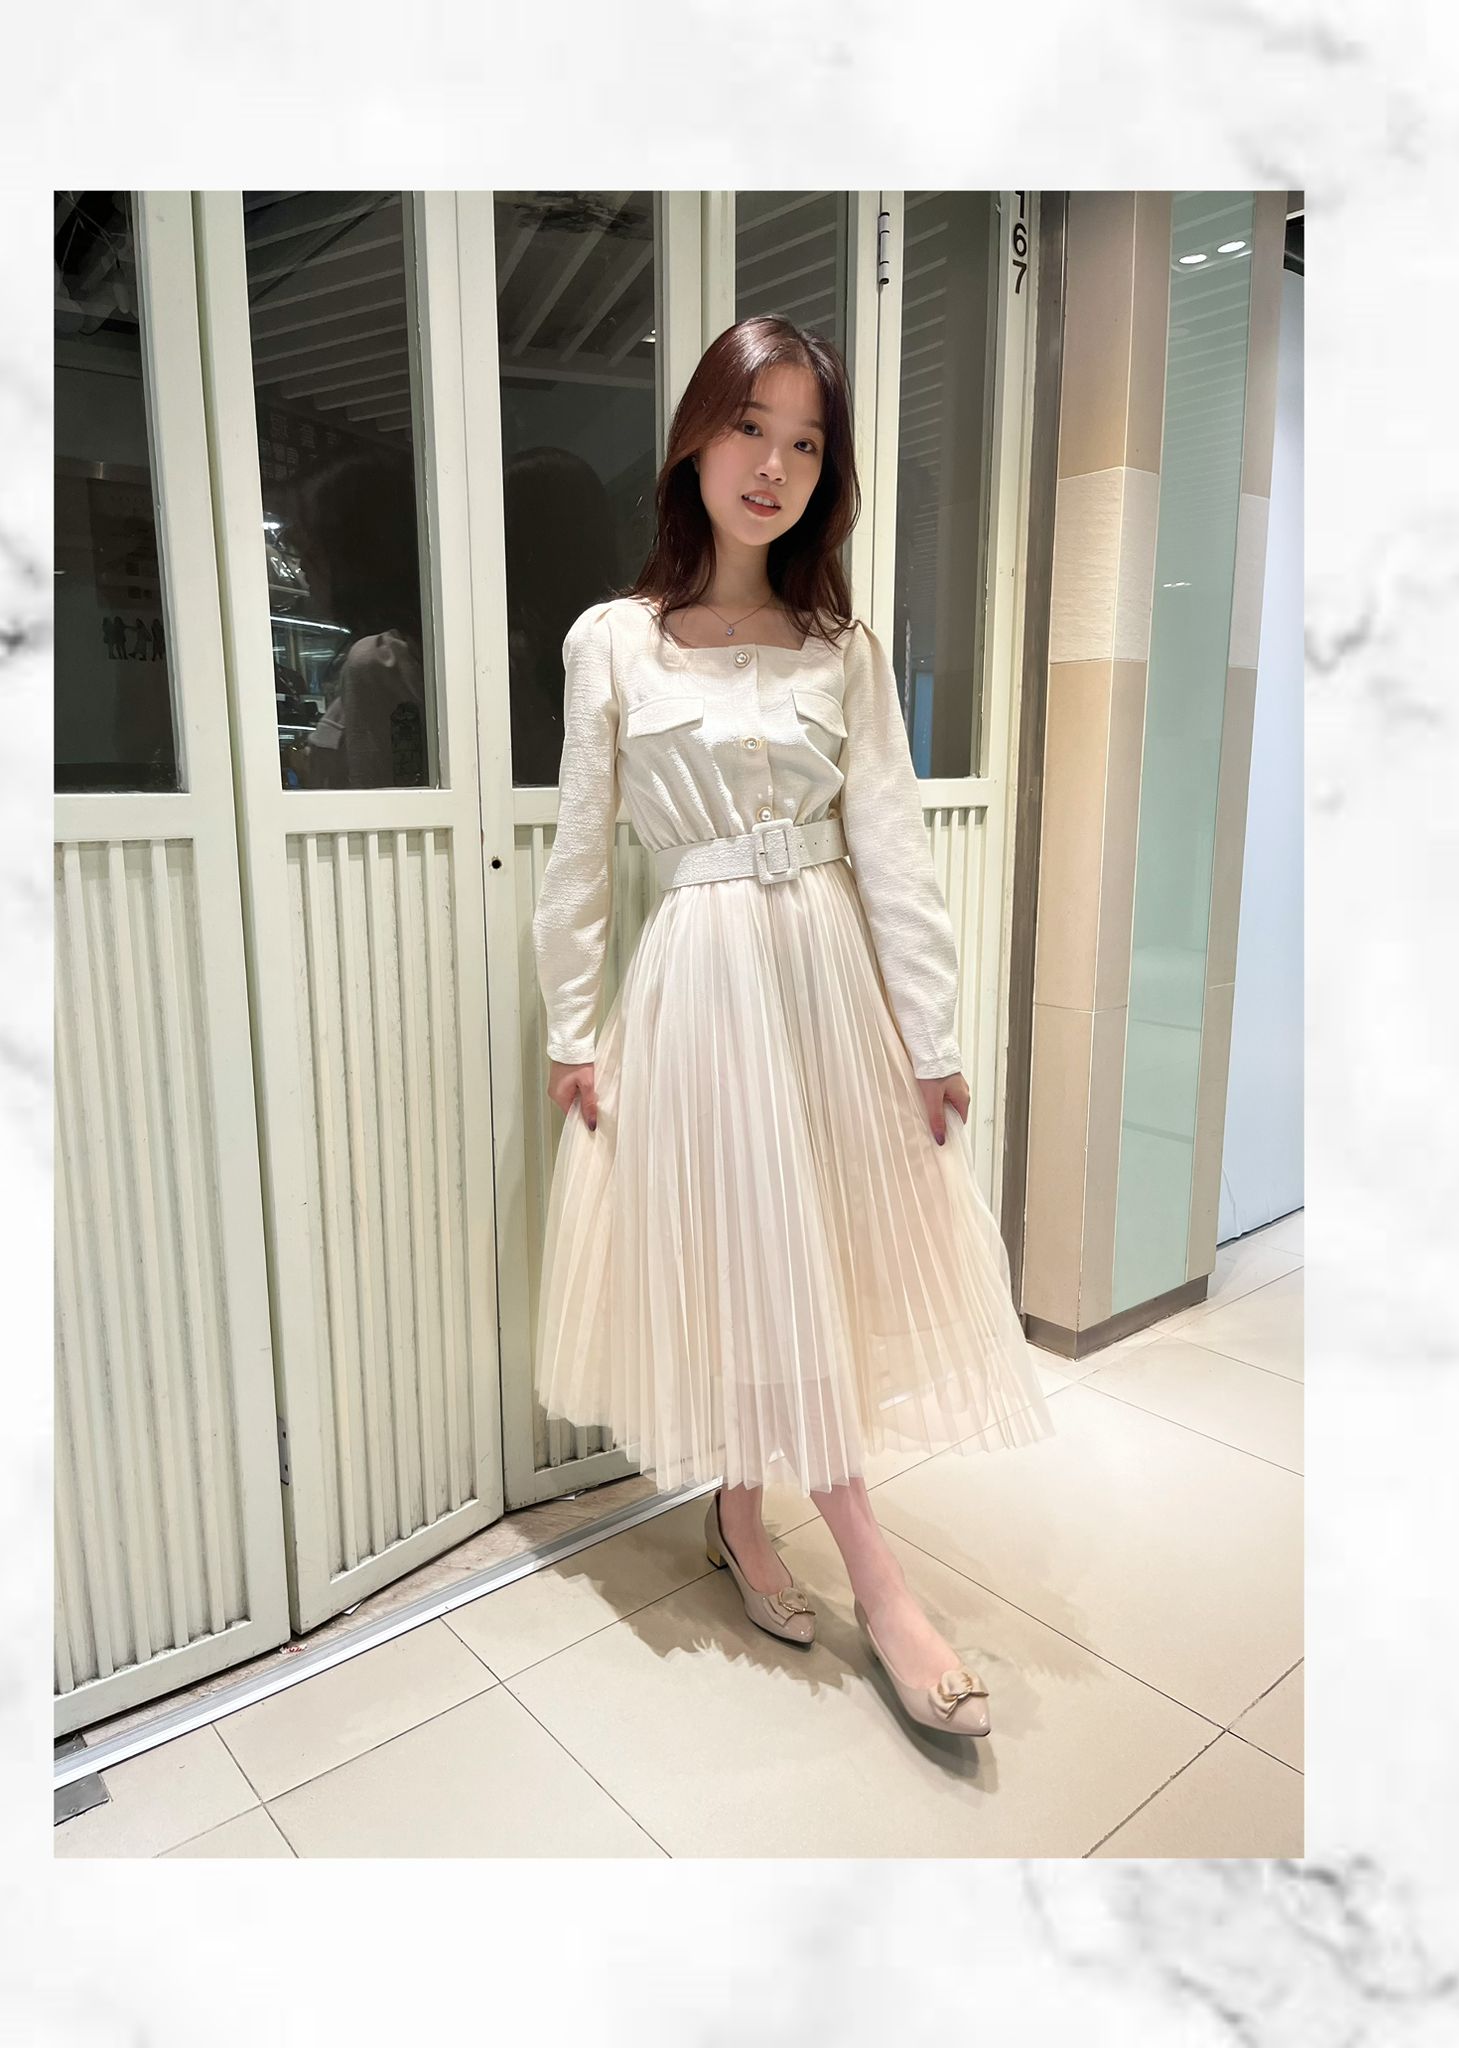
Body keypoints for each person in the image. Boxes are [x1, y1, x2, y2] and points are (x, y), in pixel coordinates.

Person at [530, 315, 1056, 1740]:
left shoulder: (842, 648)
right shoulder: (615, 642)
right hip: (700, 980)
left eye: (805, 443)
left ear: (830, 472)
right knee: (746, 1248)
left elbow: (891, 849)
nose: (772, 466)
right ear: (695, 442)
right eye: (749, 428)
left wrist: (931, 1038)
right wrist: (573, 1028)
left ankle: (750, 1518)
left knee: (808, 1254)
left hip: (828, 979)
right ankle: (862, 1576)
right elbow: (579, 854)